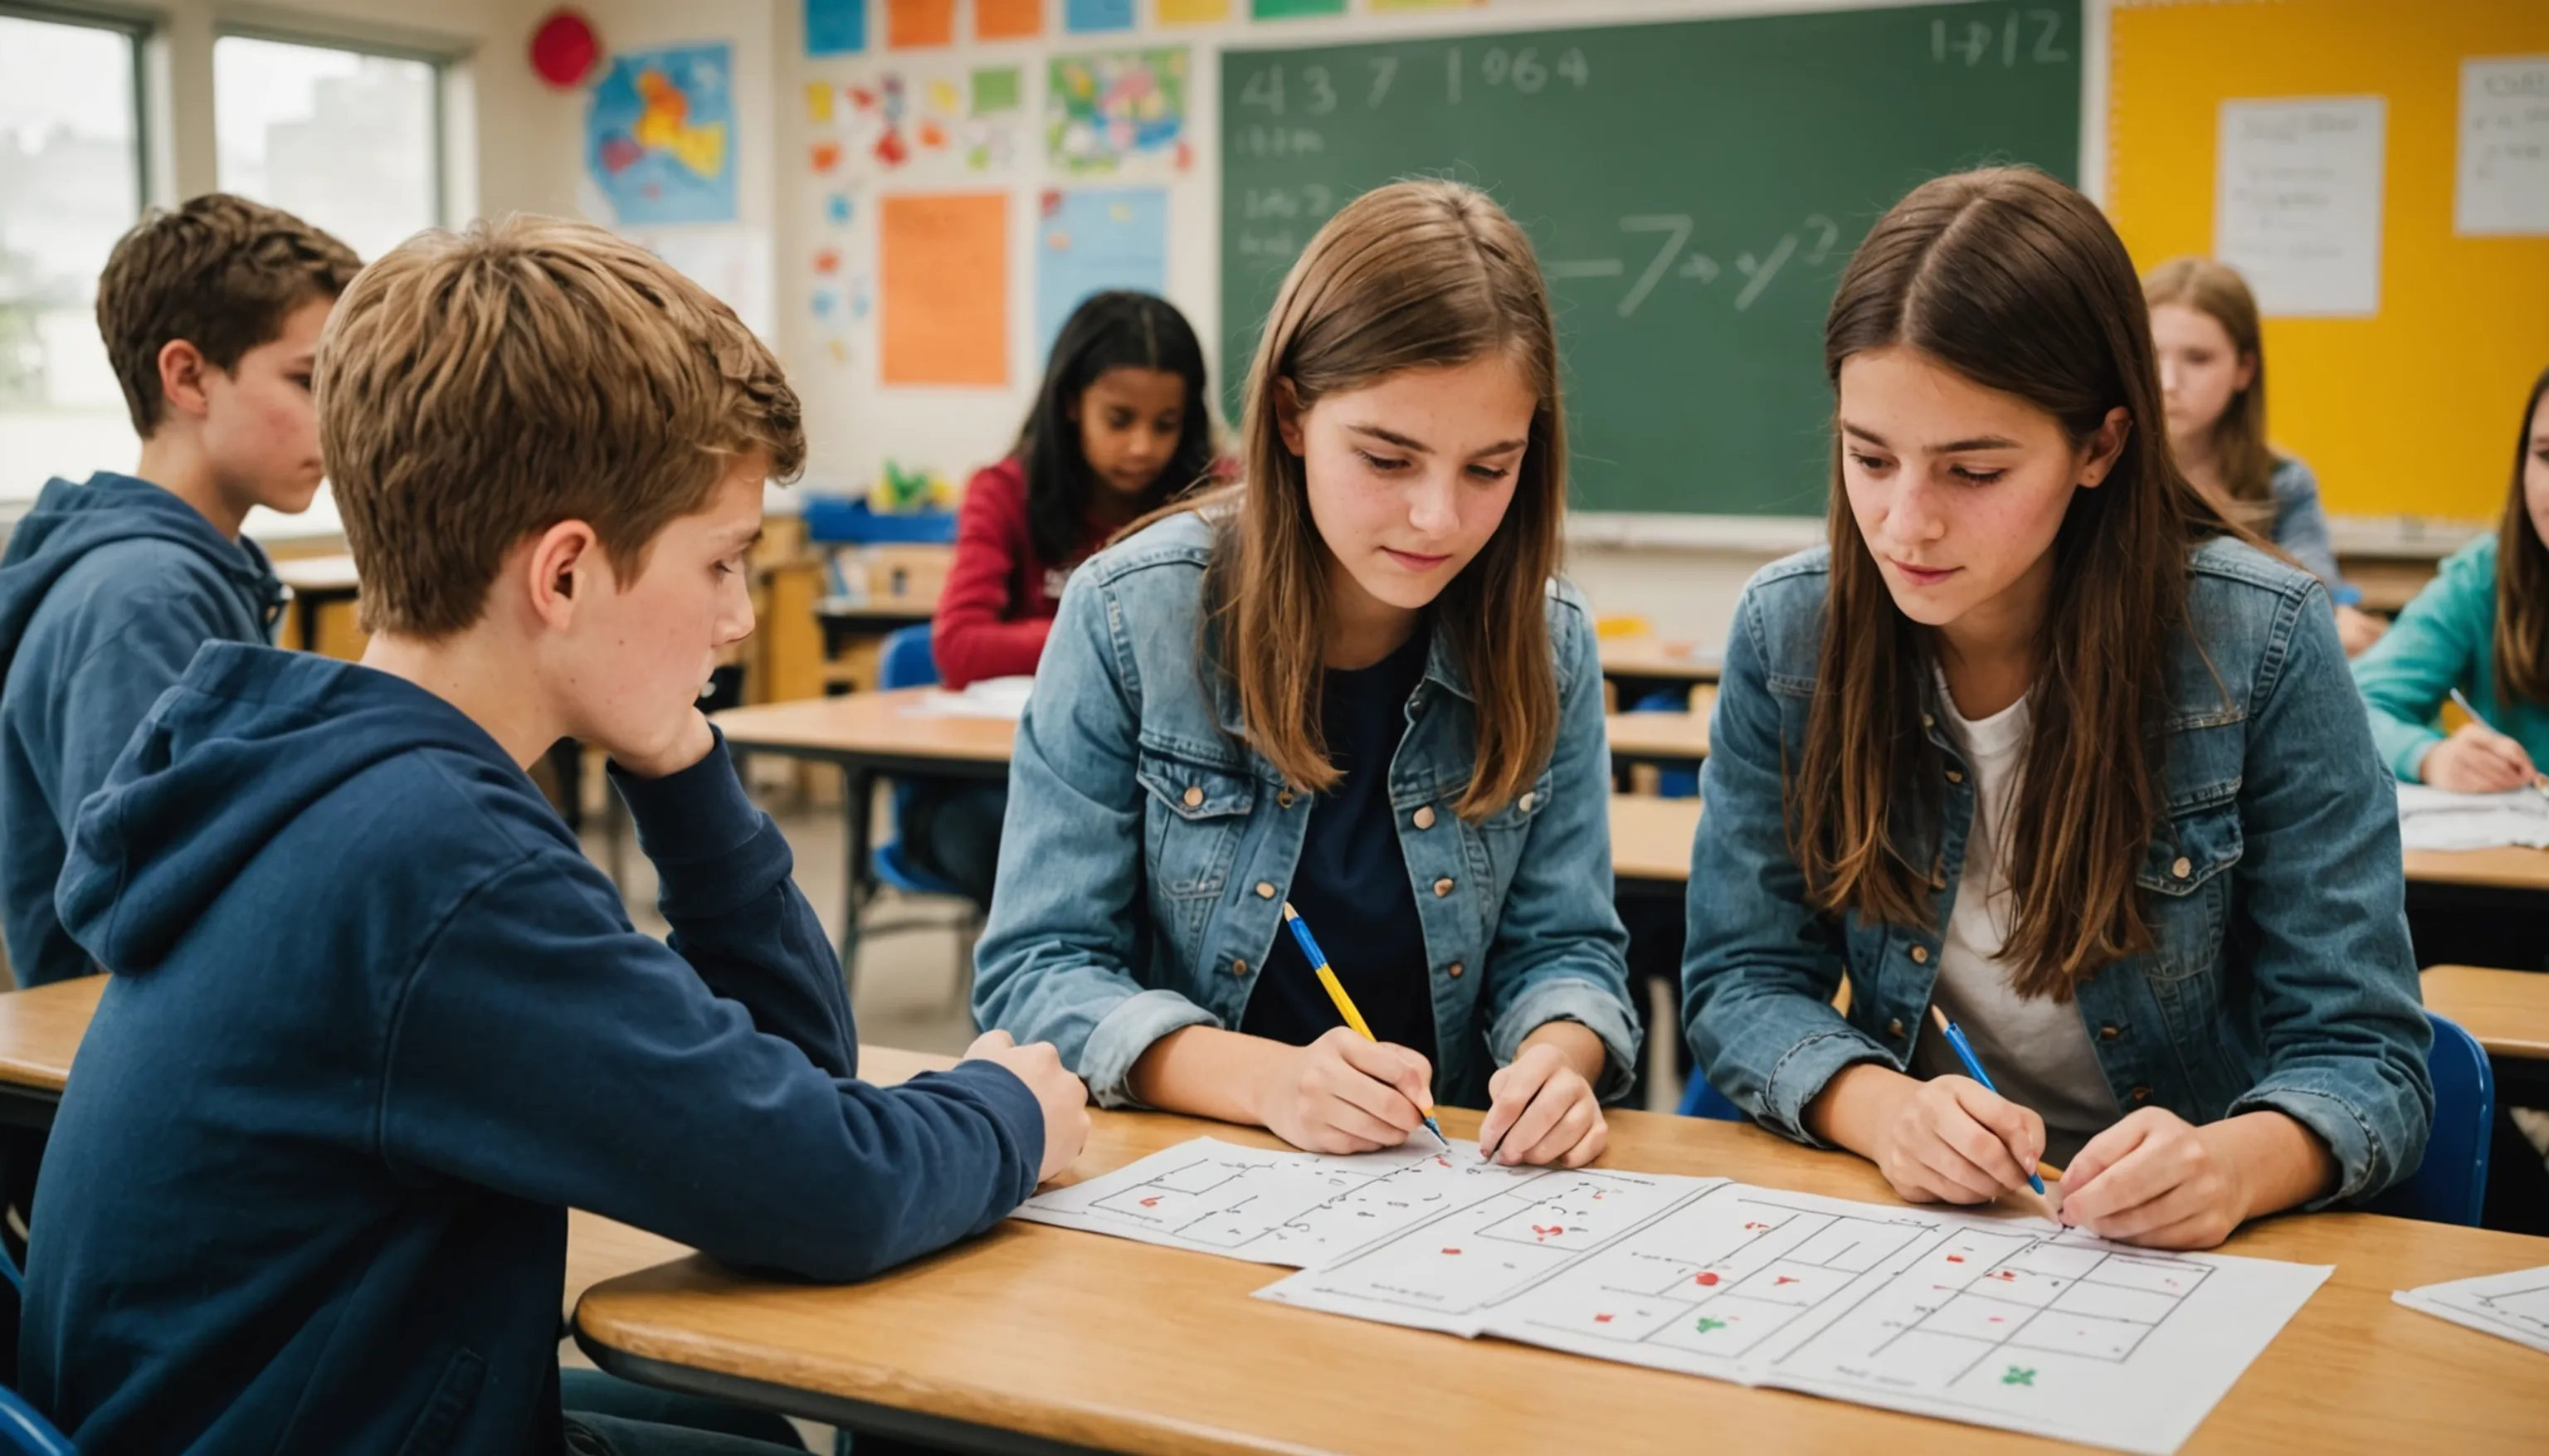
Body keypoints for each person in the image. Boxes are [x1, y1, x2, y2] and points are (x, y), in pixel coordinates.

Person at [17, 215, 1089, 1454]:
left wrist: (680, 759)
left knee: (718, 1408)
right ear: (566, 574)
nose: (739, 618)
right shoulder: (435, 867)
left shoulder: (330, 774)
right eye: (722, 563)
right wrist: (1009, 1107)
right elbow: (828, 1184)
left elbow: (795, 1080)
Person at [1683, 168, 2430, 1251]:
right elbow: (1744, 977)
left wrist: (2230, 1162)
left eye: (1973, 470)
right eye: (1868, 456)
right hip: (1935, 1223)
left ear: (2101, 445)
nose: (1905, 523)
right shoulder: (1789, 632)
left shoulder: (2259, 641)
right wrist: (1887, 1110)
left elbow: (2368, 1052)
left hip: (2204, 1245)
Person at [972, 180, 1640, 1168]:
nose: (1438, 520)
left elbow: (1566, 949)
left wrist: (1559, 1059)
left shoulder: (1547, 642)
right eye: (1387, 459)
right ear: (1290, 416)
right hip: (1181, 1177)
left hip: (1444, 1183)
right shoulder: (1129, 615)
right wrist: (1266, 1081)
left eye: (1489, 468)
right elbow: (1040, 971)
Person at [0, 194, 358, 986]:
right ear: (187, 376)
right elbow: (149, 917)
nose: (338, 417)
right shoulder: (143, 600)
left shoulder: (202, 572)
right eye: (308, 380)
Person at [913, 291, 1216, 904]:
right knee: (1033, 857)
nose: (1141, 447)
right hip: (994, 780)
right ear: (1072, 403)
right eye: (1119, 418)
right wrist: (1115, 637)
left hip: (1157, 778)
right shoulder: (1004, 492)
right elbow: (961, 647)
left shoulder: (1212, 499)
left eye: (1166, 424)